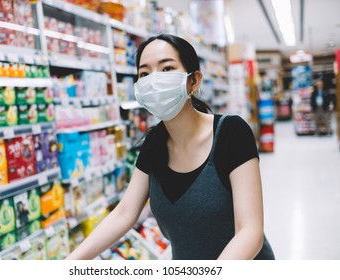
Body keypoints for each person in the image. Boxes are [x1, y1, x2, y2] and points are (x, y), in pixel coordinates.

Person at [67, 34, 275, 260]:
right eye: (145, 74)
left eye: (166, 69)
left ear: (193, 81)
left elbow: (250, 232)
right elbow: (124, 213)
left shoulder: (231, 133)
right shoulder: (154, 144)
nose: (154, 81)